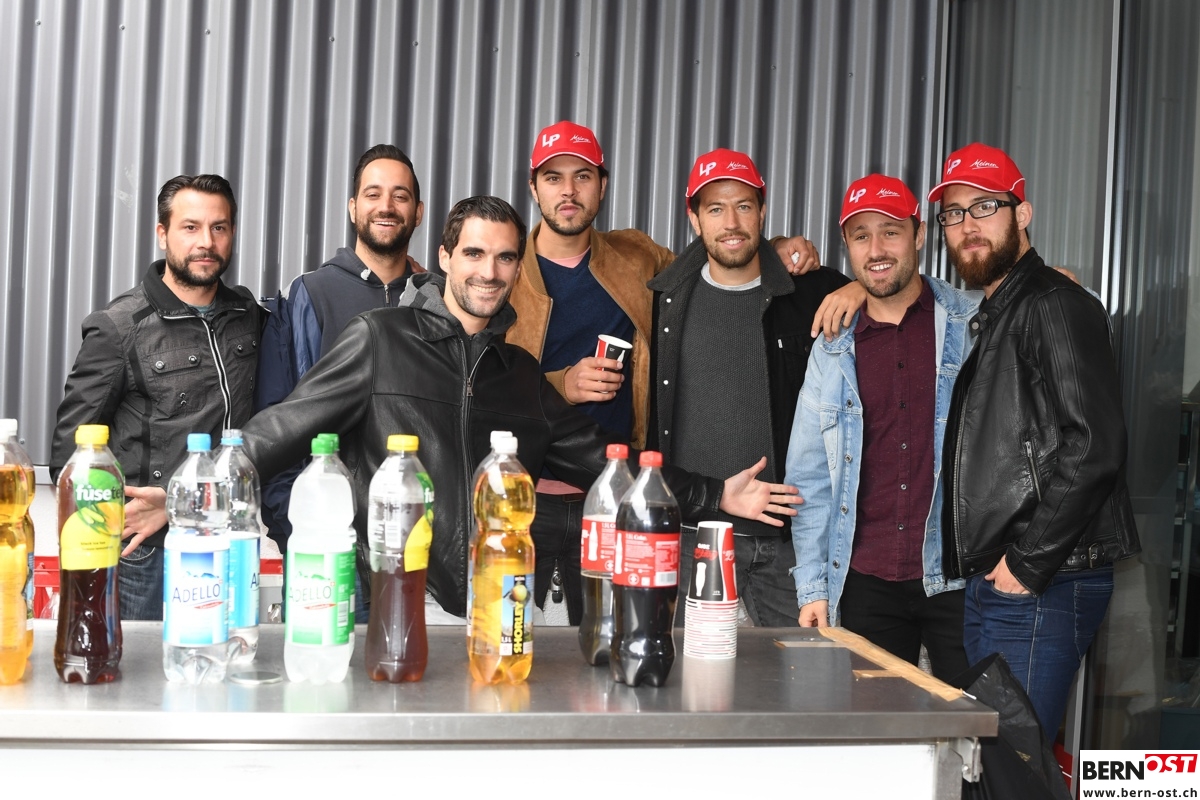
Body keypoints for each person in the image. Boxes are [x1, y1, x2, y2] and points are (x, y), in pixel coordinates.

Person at [240, 195, 802, 620]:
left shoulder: (520, 376)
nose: (489, 272)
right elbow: (283, 426)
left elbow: (608, 463)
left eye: (505, 257)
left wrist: (716, 494)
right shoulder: (380, 338)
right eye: (474, 253)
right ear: (444, 257)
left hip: (498, 604)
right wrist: (208, 489)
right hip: (397, 597)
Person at [507, 121, 833, 624]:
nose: (568, 191)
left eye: (582, 176)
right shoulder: (503, 271)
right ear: (533, 188)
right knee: (514, 636)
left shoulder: (637, 260)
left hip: (620, 499)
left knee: (614, 642)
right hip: (528, 498)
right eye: (553, 178)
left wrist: (784, 250)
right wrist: (561, 384)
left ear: (603, 185)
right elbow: (488, 374)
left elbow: (725, 254)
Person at [932, 142, 1140, 733]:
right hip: (1005, 580)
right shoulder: (1002, 311)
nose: (968, 225)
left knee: (1014, 762)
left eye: (985, 207)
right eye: (954, 213)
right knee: (995, 759)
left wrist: (1025, 566)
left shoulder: (1053, 303)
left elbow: (1095, 444)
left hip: (1044, 580)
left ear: (1022, 213)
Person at [646, 148, 858, 628]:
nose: (731, 223)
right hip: (694, 535)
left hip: (789, 542)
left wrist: (858, 289)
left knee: (803, 668)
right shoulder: (664, 300)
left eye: (743, 206)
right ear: (694, 219)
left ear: (762, 212)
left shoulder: (810, 292)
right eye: (715, 209)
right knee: (689, 668)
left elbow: (894, 291)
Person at [50, 174, 264, 621]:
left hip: (226, 538)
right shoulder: (119, 327)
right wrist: (112, 522)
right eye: (190, 227)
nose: (206, 242)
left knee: (220, 656)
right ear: (163, 233)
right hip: (145, 553)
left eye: (219, 227)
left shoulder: (247, 315)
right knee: (138, 665)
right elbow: (70, 455)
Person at [787, 174, 974, 681]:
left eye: (891, 232)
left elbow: (1071, 306)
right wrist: (814, 588)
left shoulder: (971, 324)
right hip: (865, 582)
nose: (876, 250)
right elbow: (808, 478)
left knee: (975, 721)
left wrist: (1056, 277)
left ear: (919, 234)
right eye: (861, 236)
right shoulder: (832, 348)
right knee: (876, 726)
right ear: (845, 245)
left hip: (960, 580)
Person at [254, 144, 425, 602]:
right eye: (373, 194)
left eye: (400, 195)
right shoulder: (308, 294)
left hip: (416, 551)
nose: (386, 206)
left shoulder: (437, 301)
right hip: (326, 547)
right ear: (353, 208)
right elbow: (277, 418)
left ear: (418, 212)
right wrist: (296, 528)